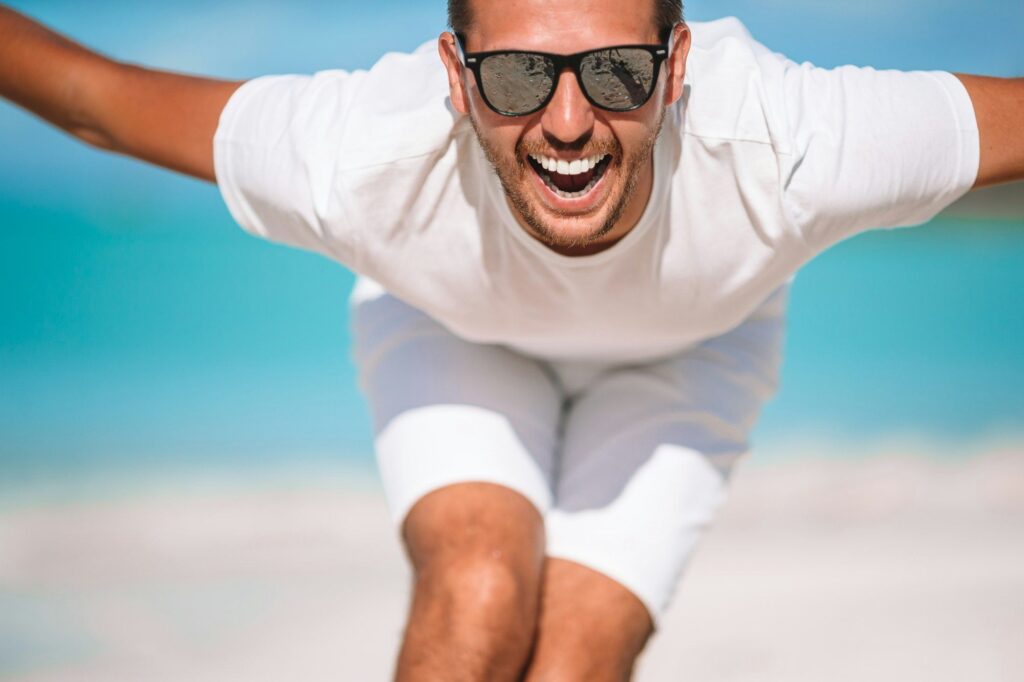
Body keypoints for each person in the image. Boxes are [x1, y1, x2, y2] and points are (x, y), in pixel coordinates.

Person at [1, 1, 1021, 680]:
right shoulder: (360, 148)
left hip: (690, 349)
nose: (568, 121)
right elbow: (97, 104)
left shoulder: (794, 138)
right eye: (520, 75)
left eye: (617, 72)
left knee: (577, 659)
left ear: (675, 72)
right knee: (478, 589)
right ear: (453, 73)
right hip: (453, 326)